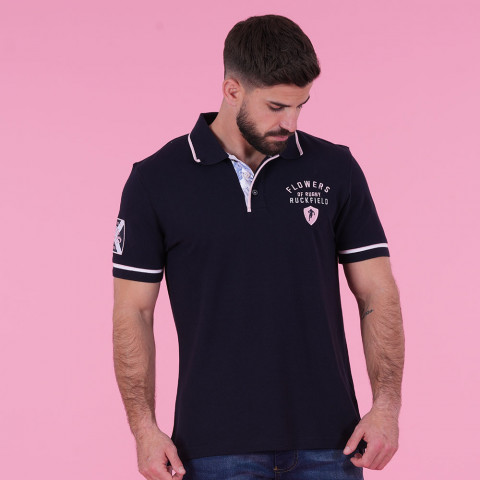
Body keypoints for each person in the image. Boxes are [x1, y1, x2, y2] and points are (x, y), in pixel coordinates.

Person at [112, 14, 405, 480]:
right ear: (232, 90)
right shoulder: (155, 180)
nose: (290, 122)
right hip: (212, 448)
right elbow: (134, 312)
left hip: (332, 444)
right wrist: (144, 430)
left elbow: (377, 291)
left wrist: (386, 406)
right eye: (276, 106)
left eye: (301, 105)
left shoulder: (335, 168)